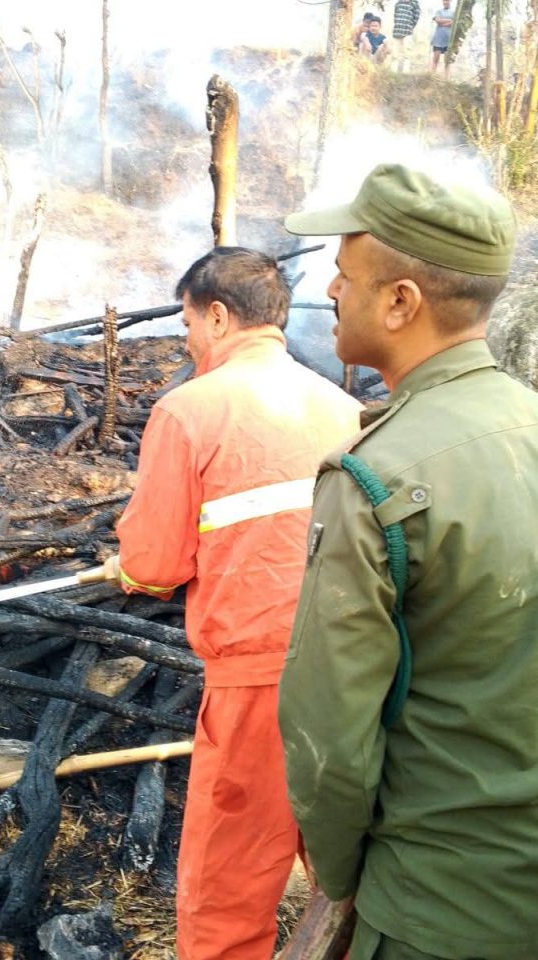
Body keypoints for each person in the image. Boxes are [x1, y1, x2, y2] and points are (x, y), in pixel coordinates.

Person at [279, 163, 538, 960]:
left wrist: (343, 875)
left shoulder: (373, 478)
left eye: (345, 273)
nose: (330, 289)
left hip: (438, 914)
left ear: (401, 302)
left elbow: (329, 736)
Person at [108, 247, 362, 960]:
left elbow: (156, 565)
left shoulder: (189, 410)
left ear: (217, 316)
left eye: (188, 322)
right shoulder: (344, 407)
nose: (188, 339)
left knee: (228, 874)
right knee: (345, 860)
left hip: (257, 676)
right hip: (352, 663)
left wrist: (125, 566)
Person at [390, 0, 420, 73]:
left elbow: (416, 18)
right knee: (395, 54)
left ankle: (405, 73)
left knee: (407, 54)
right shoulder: (399, 3)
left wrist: (409, 27)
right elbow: (395, 15)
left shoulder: (414, 3)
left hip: (407, 32)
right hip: (397, 32)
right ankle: (393, 73)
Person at [431, 0, 454, 76]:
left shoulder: (454, 12)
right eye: (444, 0)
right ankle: (432, 77)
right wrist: (449, 20)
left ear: (450, 0)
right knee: (435, 60)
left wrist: (443, 22)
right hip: (438, 39)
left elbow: (454, 23)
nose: (445, 2)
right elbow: (438, 20)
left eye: (447, 0)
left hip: (448, 39)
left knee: (447, 62)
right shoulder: (439, 11)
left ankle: (446, 80)